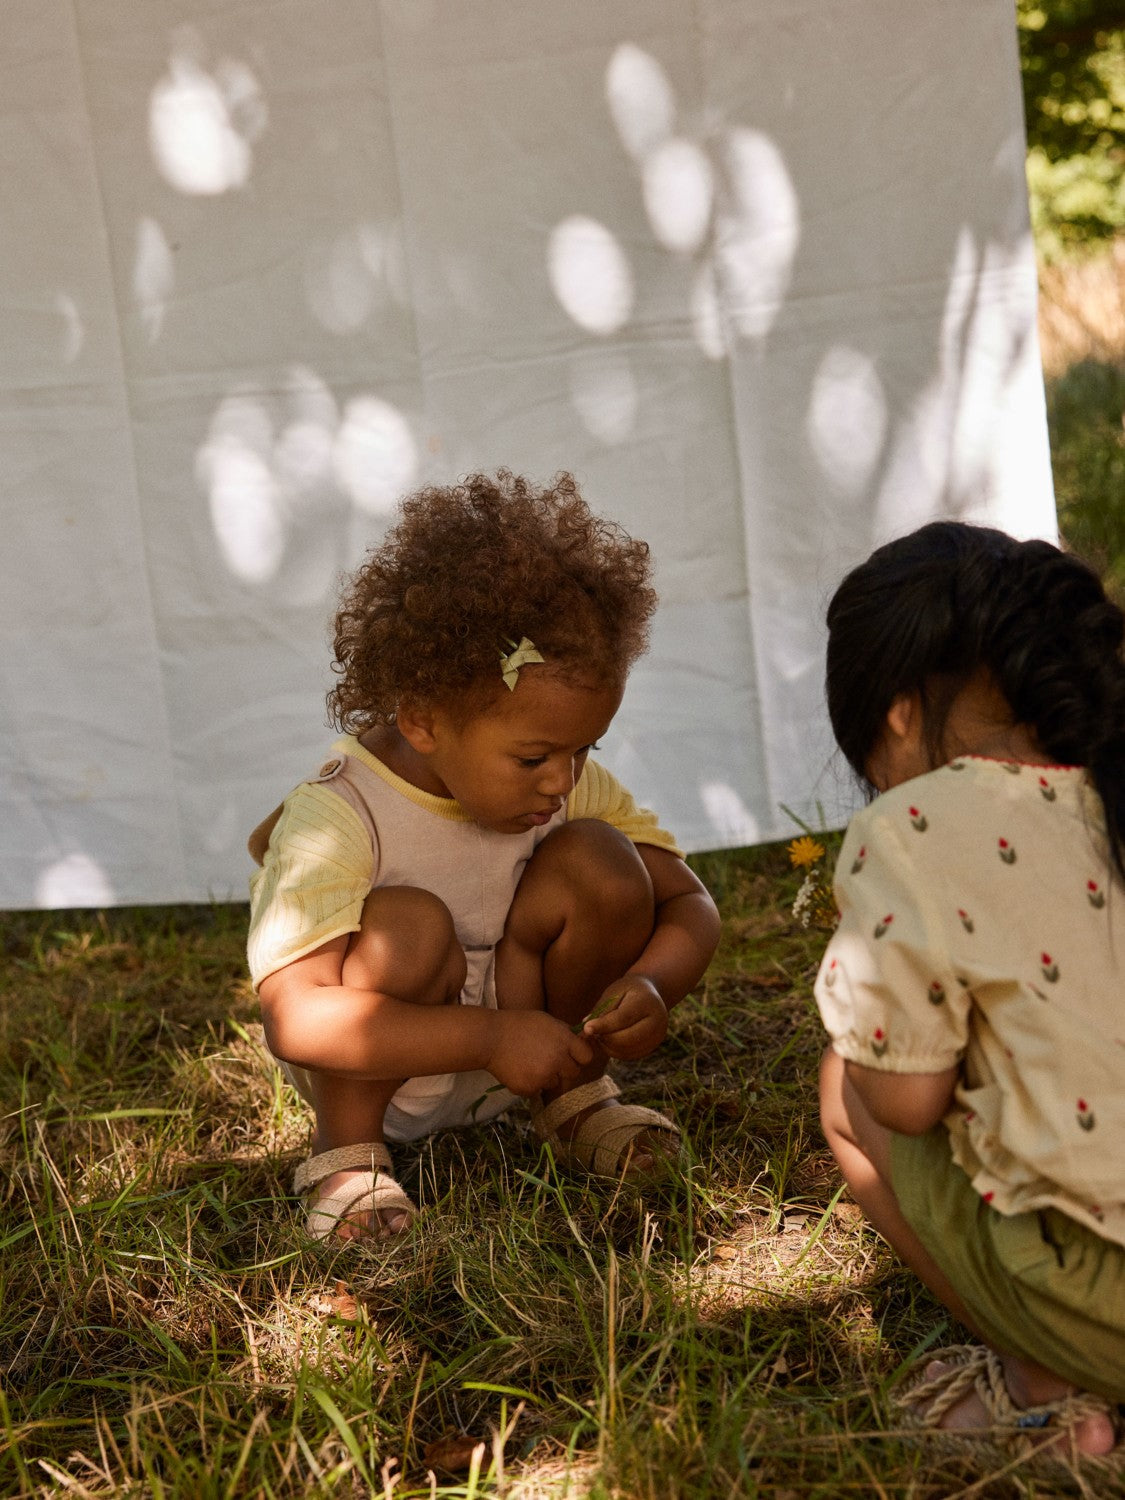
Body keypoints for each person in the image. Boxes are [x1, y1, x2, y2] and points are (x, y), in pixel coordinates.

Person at [247, 470, 721, 1243]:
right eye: (534, 756)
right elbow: (296, 1019)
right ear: (423, 721)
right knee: (407, 924)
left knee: (601, 860)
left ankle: (573, 1097)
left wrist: (650, 983)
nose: (561, 780)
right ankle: (345, 1155)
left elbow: (688, 902)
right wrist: (491, 1039)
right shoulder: (340, 813)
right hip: (380, 1071)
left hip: (535, 1051)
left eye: (584, 749)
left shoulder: (566, 784)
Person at [815, 521, 1124, 1457]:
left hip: (1100, 1301)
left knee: (846, 1086)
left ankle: (1042, 1394)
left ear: (896, 714)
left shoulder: (912, 828)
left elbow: (905, 1105)